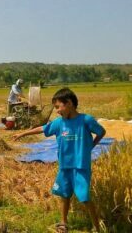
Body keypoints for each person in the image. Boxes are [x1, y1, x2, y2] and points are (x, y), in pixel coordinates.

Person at [13, 88, 106, 232]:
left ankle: (96, 226)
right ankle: (63, 223)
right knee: (64, 194)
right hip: (65, 166)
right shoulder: (59, 123)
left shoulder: (85, 120)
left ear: (68, 103)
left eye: (58, 107)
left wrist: (91, 146)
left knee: (84, 197)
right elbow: (42, 129)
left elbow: (101, 132)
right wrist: (22, 133)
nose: (56, 111)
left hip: (80, 166)